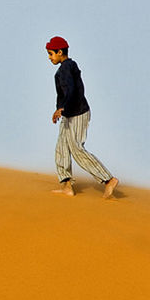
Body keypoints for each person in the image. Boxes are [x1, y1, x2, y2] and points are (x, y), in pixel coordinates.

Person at [46, 36, 119, 199]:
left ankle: (108, 179)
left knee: (77, 149)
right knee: (62, 148)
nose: (49, 58)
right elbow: (64, 92)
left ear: (60, 52)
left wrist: (62, 107)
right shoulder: (65, 68)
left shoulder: (67, 67)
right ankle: (66, 186)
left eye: (51, 54)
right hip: (68, 114)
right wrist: (59, 109)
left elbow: (71, 90)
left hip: (77, 113)